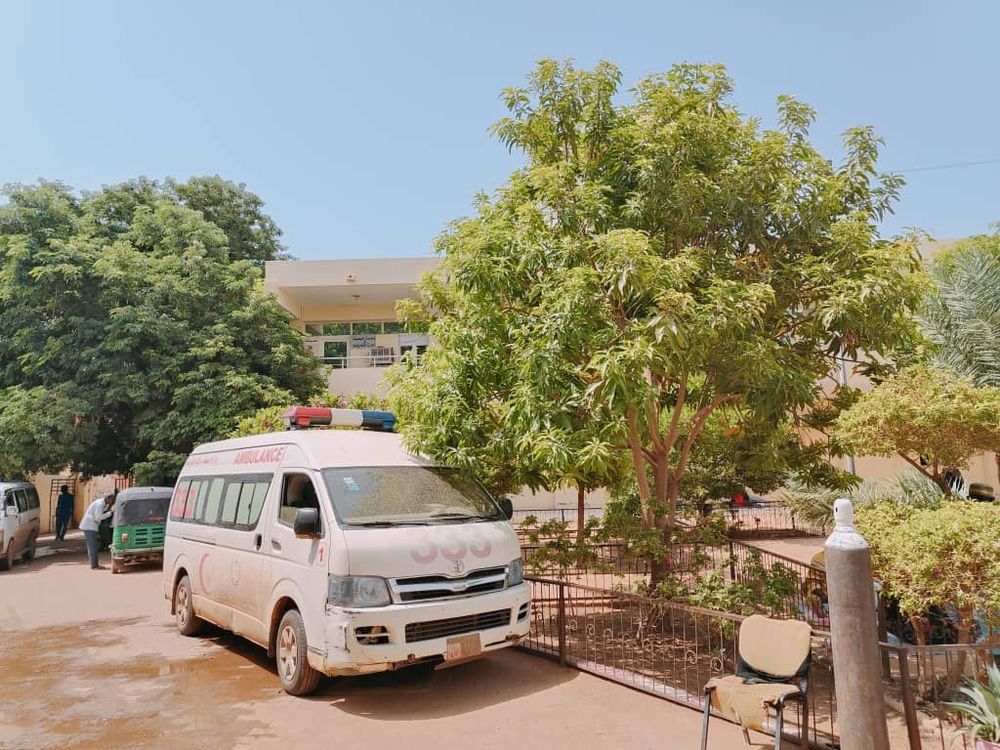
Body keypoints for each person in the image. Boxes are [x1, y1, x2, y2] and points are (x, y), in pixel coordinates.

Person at [80, 493, 115, 570]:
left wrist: (108, 509)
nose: (112, 502)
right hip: (89, 526)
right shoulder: (99, 504)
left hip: (91, 526)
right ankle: (94, 565)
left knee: (94, 546)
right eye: (112, 500)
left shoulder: (101, 503)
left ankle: (95, 564)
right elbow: (98, 518)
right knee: (93, 546)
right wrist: (110, 513)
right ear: (108, 498)